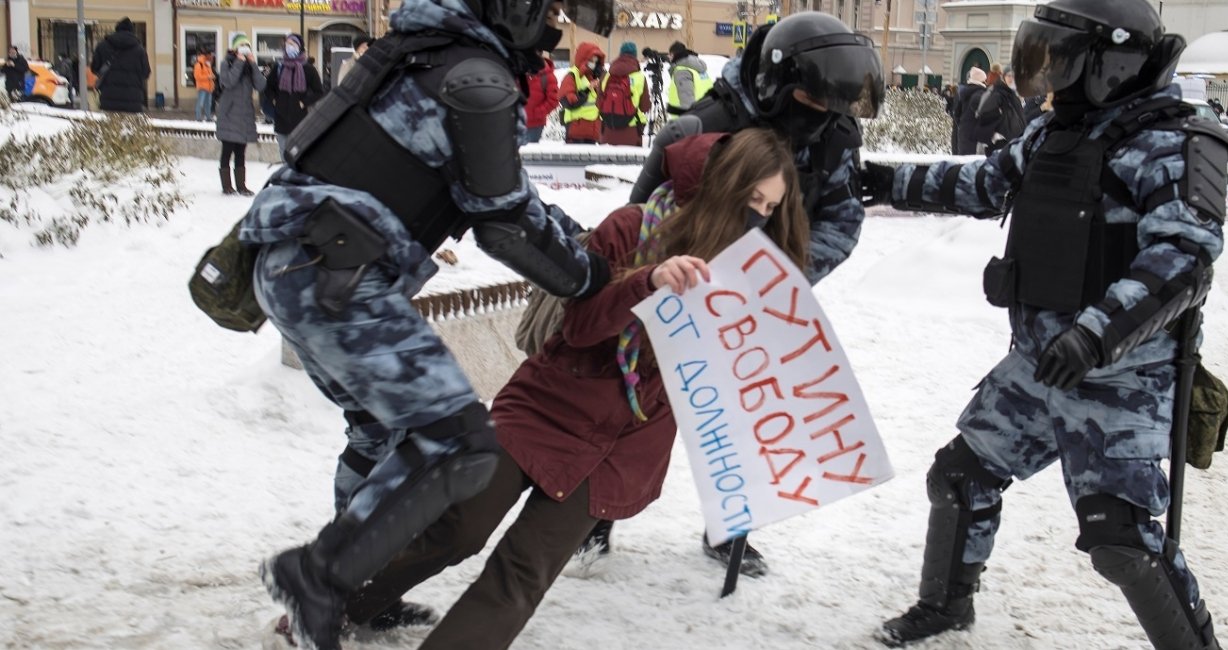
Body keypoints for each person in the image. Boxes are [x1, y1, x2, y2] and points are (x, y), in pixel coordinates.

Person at [328, 127, 808, 650]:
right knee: (456, 528)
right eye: (750, 198)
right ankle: (333, 607)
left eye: (768, 207)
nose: (755, 215)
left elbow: (739, 374)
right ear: (723, 184)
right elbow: (577, 326)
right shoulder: (633, 227)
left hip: (623, 446)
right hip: (549, 406)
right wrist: (646, 282)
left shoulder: (749, 274)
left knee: (521, 574)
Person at [243, 0, 616, 646]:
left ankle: (348, 594)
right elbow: (503, 227)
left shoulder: (431, 54)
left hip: (301, 266)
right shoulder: (477, 79)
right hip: (337, 278)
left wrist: (575, 240)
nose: (554, 24)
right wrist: (587, 281)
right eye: (549, 7)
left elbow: (504, 194)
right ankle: (320, 576)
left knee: (377, 433)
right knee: (460, 439)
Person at [861, 0, 1228, 647]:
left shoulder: (1175, 141)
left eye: (1063, 58)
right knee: (960, 479)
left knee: (1121, 538)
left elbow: (1183, 261)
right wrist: (885, 183)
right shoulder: (1057, 132)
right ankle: (948, 606)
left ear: (1111, 64)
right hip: (1037, 363)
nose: (1051, 71)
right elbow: (984, 185)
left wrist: (1095, 334)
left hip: (1122, 376)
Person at [586, 10, 884, 576]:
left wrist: (777, 283)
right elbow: (640, 217)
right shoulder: (704, 127)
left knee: (750, 415)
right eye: (816, 103)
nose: (824, 119)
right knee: (633, 406)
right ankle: (593, 519)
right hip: (679, 292)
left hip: (765, 301)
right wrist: (666, 280)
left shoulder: (835, 136)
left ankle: (731, 528)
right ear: (781, 86)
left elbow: (842, 221)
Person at [215, 33, 264, 196]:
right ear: (234, 49)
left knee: (241, 152)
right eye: (241, 47)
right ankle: (227, 186)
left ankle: (241, 185)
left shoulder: (250, 67)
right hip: (229, 113)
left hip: (244, 115)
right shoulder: (226, 63)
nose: (243, 50)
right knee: (227, 150)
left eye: (246, 46)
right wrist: (238, 62)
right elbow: (228, 82)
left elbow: (261, 85)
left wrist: (253, 64)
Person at [264, 34, 323, 154]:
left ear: (299, 47)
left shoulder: (308, 69)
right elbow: (268, 88)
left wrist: (304, 103)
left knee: (298, 154)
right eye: (287, 44)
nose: (289, 47)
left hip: (301, 119)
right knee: (284, 152)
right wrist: (275, 100)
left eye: (293, 44)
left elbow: (319, 92)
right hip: (281, 117)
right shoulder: (279, 67)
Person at [91, 18, 150, 113]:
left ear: (117, 29)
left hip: (108, 100)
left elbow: (94, 68)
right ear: (132, 31)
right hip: (133, 101)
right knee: (130, 128)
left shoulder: (103, 46)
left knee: (109, 127)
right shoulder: (140, 50)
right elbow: (146, 73)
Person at [599, 41, 651, 146]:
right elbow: (645, 107)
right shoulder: (640, 77)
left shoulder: (606, 76)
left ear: (620, 55)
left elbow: (598, 102)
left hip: (607, 132)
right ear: (635, 56)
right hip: (631, 132)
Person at [559, 41, 605, 144]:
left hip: (592, 132)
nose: (594, 64)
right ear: (584, 59)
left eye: (596, 61)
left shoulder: (594, 77)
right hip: (576, 131)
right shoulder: (572, 76)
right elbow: (569, 102)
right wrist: (588, 89)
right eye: (592, 60)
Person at [974, 63, 1025, 152]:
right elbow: (984, 115)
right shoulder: (997, 94)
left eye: (1014, 76)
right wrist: (998, 134)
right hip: (1000, 144)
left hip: (1014, 143)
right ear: (1003, 77)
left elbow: (1020, 118)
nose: (1011, 79)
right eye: (1009, 76)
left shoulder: (1014, 96)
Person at [666, 40, 712, 114]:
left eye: (670, 54)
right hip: (705, 112)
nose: (669, 57)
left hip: (689, 118)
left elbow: (686, 98)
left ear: (674, 55)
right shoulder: (697, 68)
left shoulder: (681, 71)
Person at [524, 50, 559, 143]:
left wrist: (536, 113)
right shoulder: (519, 70)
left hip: (535, 125)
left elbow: (553, 100)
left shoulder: (548, 76)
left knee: (528, 153)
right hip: (516, 121)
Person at [953, 66, 986, 155]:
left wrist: (962, 124)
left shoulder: (963, 93)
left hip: (963, 133)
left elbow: (956, 114)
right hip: (976, 136)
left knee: (964, 163)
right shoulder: (982, 94)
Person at [193, 47, 216, 122]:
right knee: (200, 103)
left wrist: (212, 76)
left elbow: (210, 73)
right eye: (211, 55)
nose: (212, 57)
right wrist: (208, 77)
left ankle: (208, 117)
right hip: (202, 87)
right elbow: (197, 76)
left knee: (208, 104)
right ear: (207, 55)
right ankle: (198, 118)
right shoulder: (199, 64)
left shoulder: (207, 64)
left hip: (209, 87)